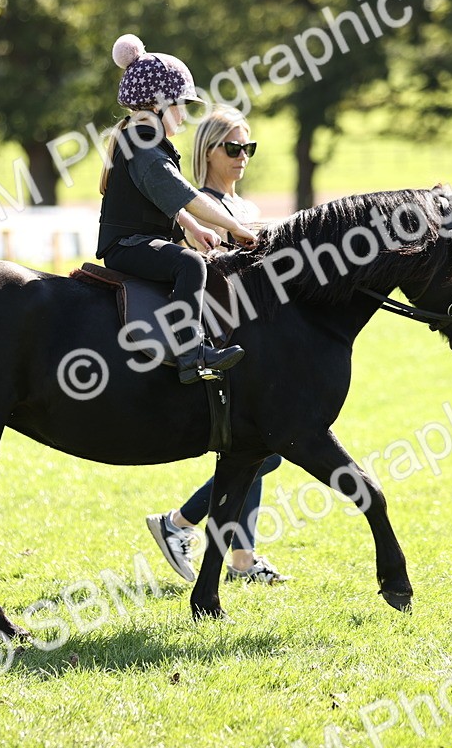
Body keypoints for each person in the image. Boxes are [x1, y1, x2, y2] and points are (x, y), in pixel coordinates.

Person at [146, 107, 290, 585]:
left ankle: (233, 556)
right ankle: (184, 526)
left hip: (252, 336)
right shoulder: (196, 207)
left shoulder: (246, 209)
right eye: (233, 148)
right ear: (206, 151)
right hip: (217, 335)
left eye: (248, 148)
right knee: (260, 448)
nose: (242, 157)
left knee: (260, 449)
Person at [97, 34, 257, 383]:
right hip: (127, 246)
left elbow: (167, 200)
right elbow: (186, 195)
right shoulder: (144, 145)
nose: (184, 114)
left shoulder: (145, 140)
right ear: (158, 105)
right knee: (189, 263)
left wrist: (192, 228)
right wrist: (234, 226)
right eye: (180, 104)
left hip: (137, 241)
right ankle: (190, 353)